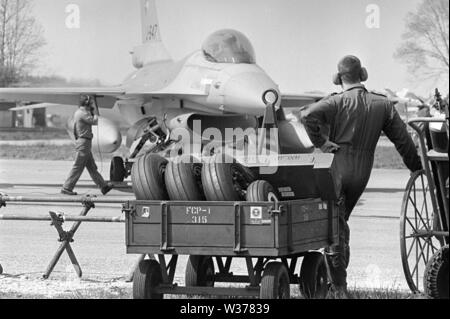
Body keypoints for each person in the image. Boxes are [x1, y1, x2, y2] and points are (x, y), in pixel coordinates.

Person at [299, 55, 422, 296]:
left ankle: (340, 289)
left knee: (335, 225)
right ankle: (335, 281)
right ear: (362, 74)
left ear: (338, 78)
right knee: (341, 222)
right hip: (363, 171)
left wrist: (322, 143)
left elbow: (306, 115)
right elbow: (403, 140)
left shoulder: (336, 101)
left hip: (338, 167)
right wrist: (416, 166)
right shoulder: (383, 104)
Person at [61, 95, 113, 196]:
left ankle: (103, 187)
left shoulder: (81, 113)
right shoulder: (82, 113)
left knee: (92, 167)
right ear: (86, 103)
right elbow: (94, 121)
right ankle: (67, 188)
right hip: (84, 143)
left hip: (85, 143)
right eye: (90, 103)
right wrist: (95, 112)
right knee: (78, 166)